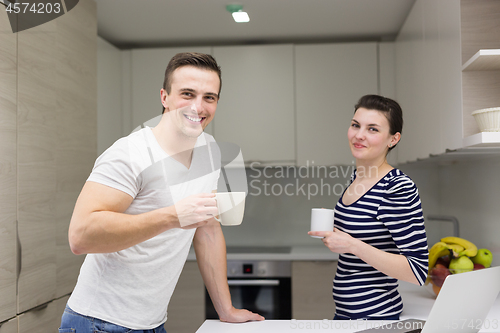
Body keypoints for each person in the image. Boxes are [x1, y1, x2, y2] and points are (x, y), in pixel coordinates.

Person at [60, 52, 264, 333]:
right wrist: (172, 216)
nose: (198, 106)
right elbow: (80, 236)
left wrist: (226, 310)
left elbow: (207, 229)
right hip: (99, 323)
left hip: (153, 324)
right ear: (164, 97)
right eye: (187, 94)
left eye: (209, 97)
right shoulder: (130, 153)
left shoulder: (209, 149)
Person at [308, 94, 428, 320]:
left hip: (376, 320)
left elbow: (417, 270)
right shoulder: (358, 177)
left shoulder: (397, 187)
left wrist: (352, 245)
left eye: (373, 129)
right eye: (355, 125)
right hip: (346, 317)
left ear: (393, 139)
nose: (359, 135)